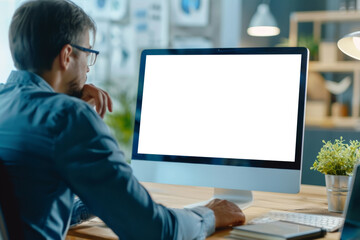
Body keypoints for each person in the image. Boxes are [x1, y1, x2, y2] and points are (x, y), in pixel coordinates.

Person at [0, 0, 245, 239]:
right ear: (66, 55)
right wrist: (209, 215)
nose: (87, 69)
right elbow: (154, 231)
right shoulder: (68, 116)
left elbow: (29, 209)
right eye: (88, 53)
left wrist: (105, 195)